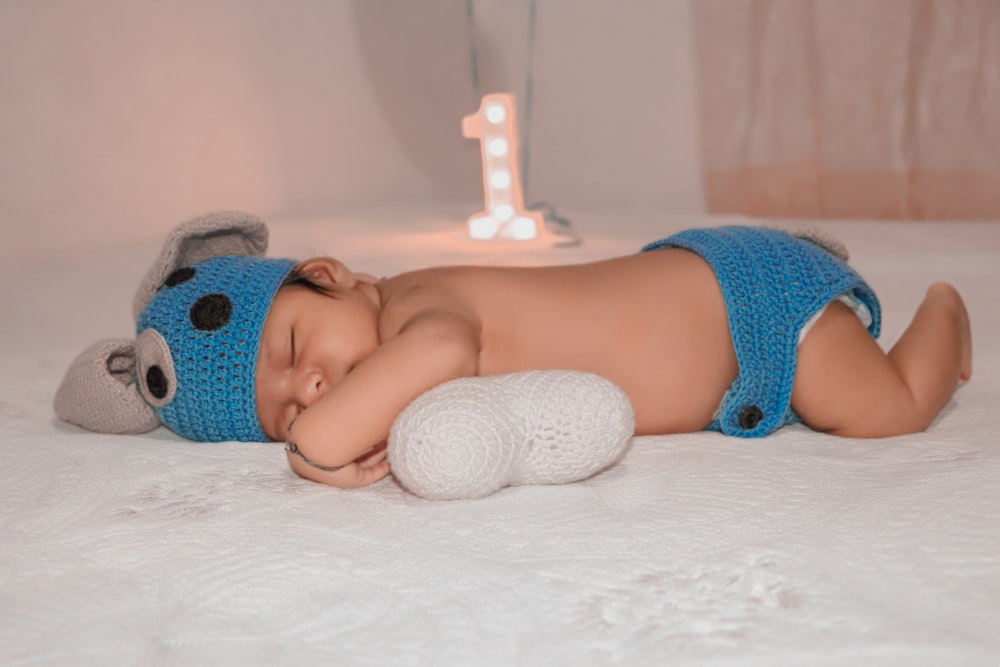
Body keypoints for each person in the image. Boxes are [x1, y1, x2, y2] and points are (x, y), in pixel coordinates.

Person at [54, 215, 973, 495]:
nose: (315, 386)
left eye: (294, 346)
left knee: (882, 409)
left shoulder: (419, 307)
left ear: (331, 276)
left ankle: (945, 314)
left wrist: (311, 445)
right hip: (724, 338)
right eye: (282, 404)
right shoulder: (393, 357)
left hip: (748, 303)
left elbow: (445, 350)